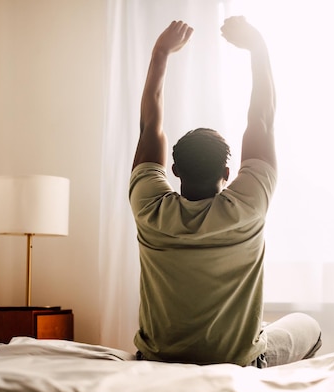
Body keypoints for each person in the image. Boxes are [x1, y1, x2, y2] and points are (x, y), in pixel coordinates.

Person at [129, 17, 322, 367]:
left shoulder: (149, 207)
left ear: (174, 171)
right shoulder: (248, 203)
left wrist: (160, 53)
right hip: (236, 359)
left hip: (157, 357)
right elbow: (262, 119)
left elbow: (148, 127)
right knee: (309, 325)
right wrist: (257, 47)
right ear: (227, 173)